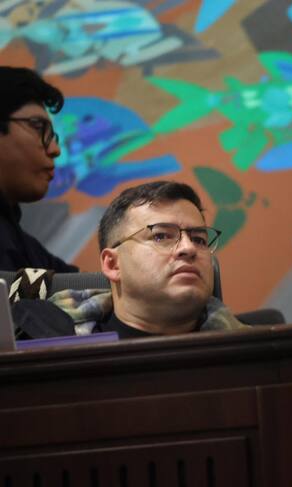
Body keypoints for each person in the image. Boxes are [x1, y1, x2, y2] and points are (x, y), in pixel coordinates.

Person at [12, 181, 248, 338]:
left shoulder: (253, 352)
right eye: (161, 236)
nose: (188, 248)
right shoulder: (40, 338)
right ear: (112, 264)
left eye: (199, 239)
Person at [0, 66, 79, 272]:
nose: (55, 150)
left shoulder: (24, 245)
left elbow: (77, 286)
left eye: (53, 136)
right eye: (38, 127)